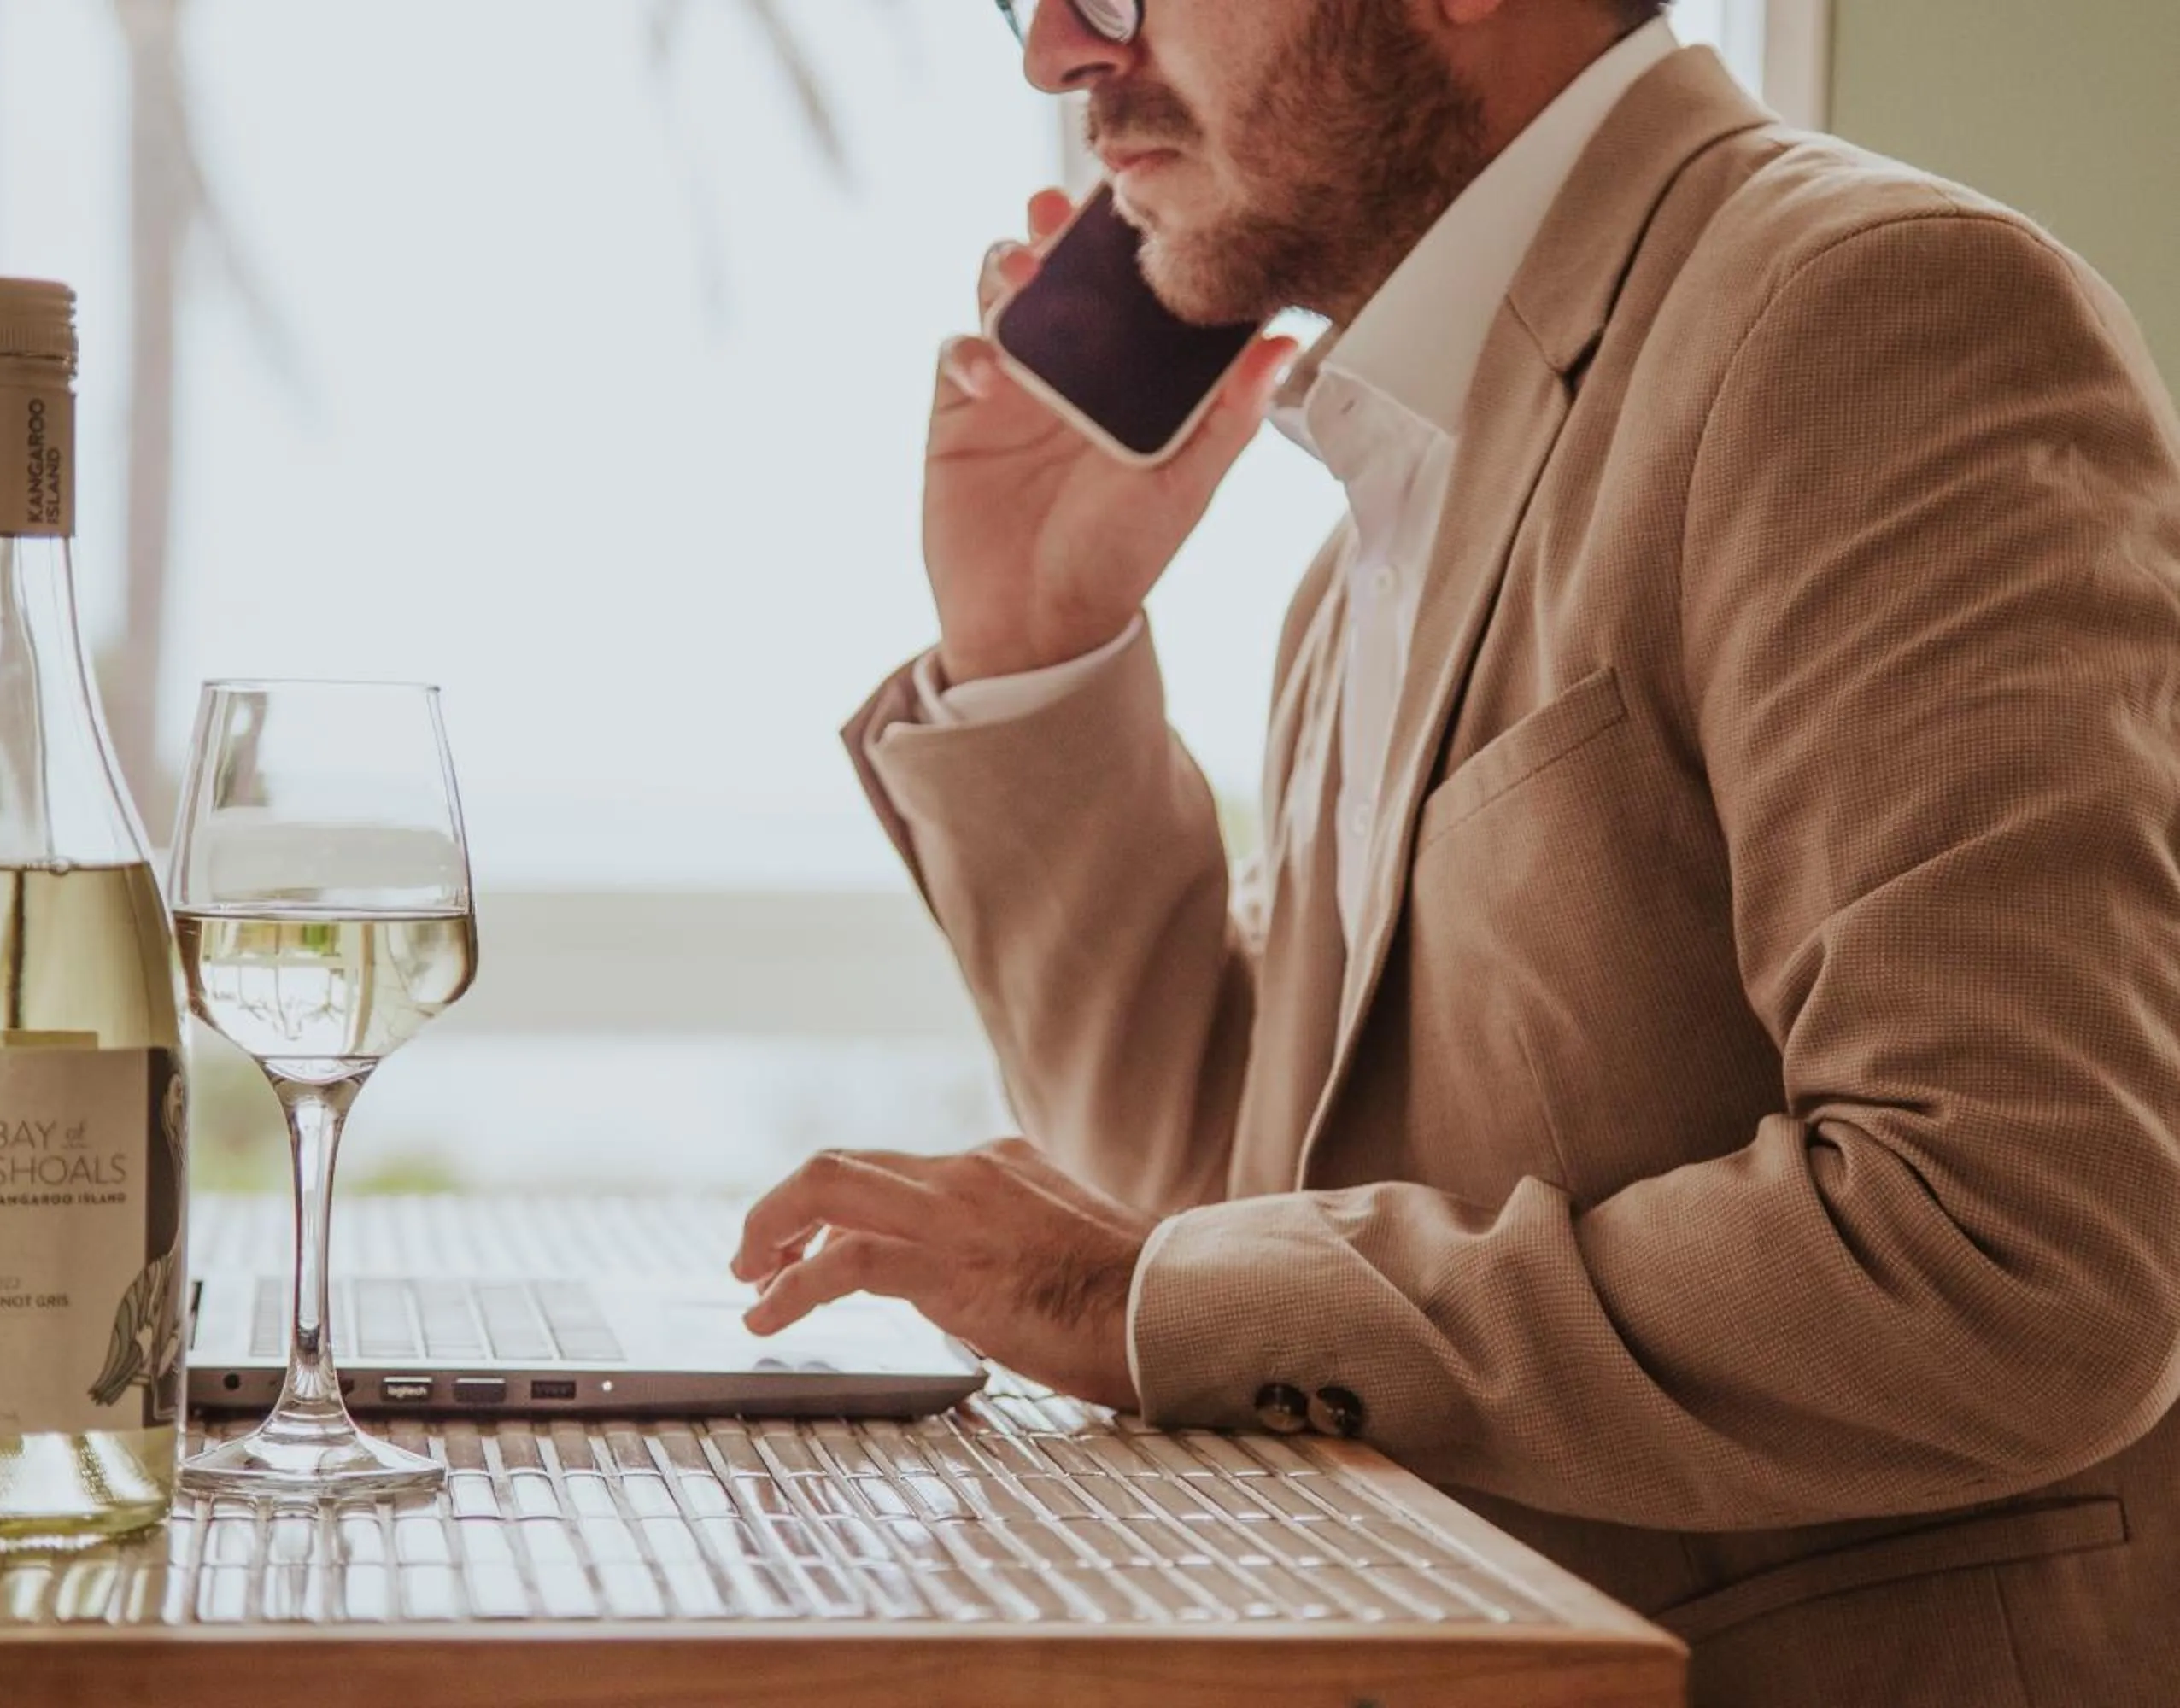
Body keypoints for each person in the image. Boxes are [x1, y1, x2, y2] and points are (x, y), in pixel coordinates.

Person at [730, 1, 2180, 1701]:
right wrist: (1033, 644)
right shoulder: (1365, 555)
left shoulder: (1870, 310)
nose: (1056, 51)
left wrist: (1151, 1296)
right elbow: (1232, 1234)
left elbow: (2017, 1256)